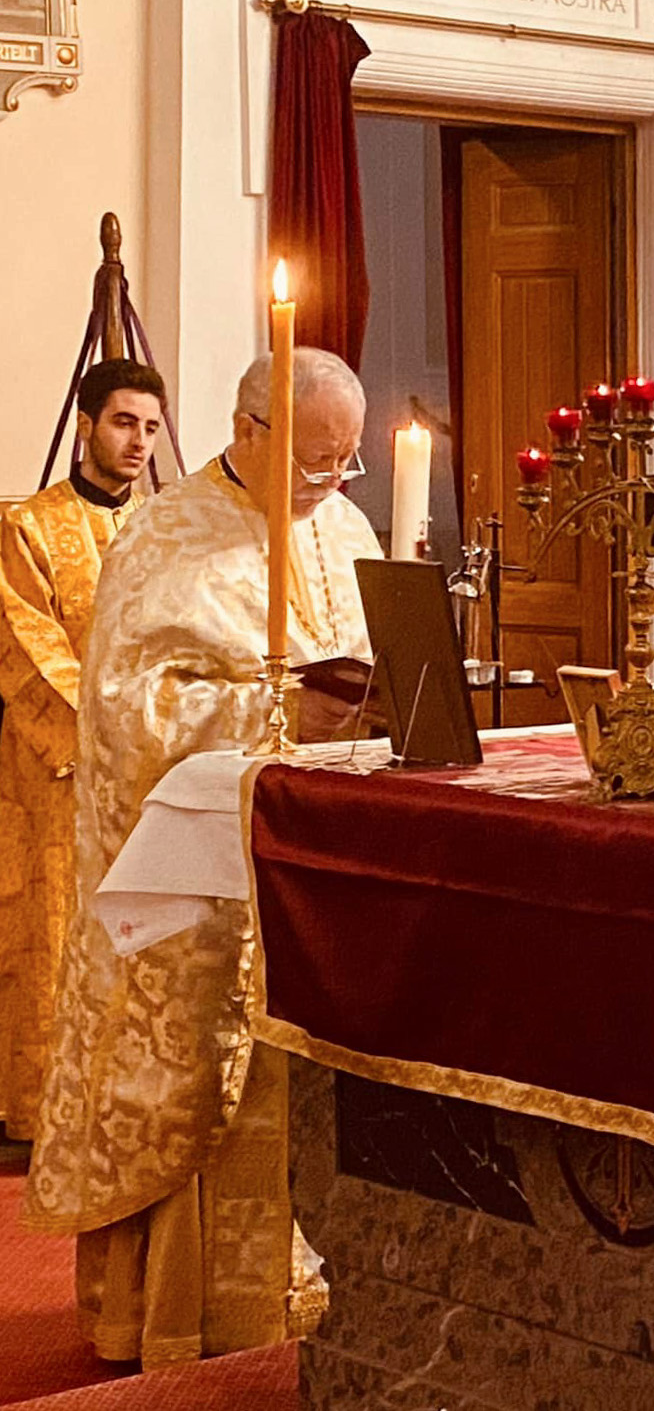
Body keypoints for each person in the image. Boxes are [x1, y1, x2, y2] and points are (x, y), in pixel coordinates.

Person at [26, 347, 381, 1369]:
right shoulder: (164, 536)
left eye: (346, 462)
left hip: (311, 871)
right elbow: (128, 713)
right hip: (201, 881)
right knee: (201, 1080)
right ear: (248, 430)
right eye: (312, 460)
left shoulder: (346, 527)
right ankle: (181, 1316)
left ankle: (304, 1294)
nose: (330, 483)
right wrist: (276, 709)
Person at [0, 359, 164, 1143]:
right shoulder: (29, 526)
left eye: (151, 428)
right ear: (87, 425)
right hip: (59, 770)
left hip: (151, 769)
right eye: (125, 422)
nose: (139, 442)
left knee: (142, 939)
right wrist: (106, 735)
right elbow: (27, 648)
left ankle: (128, 1111)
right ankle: (43, 1113)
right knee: (53, 930)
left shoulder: (165, 530)